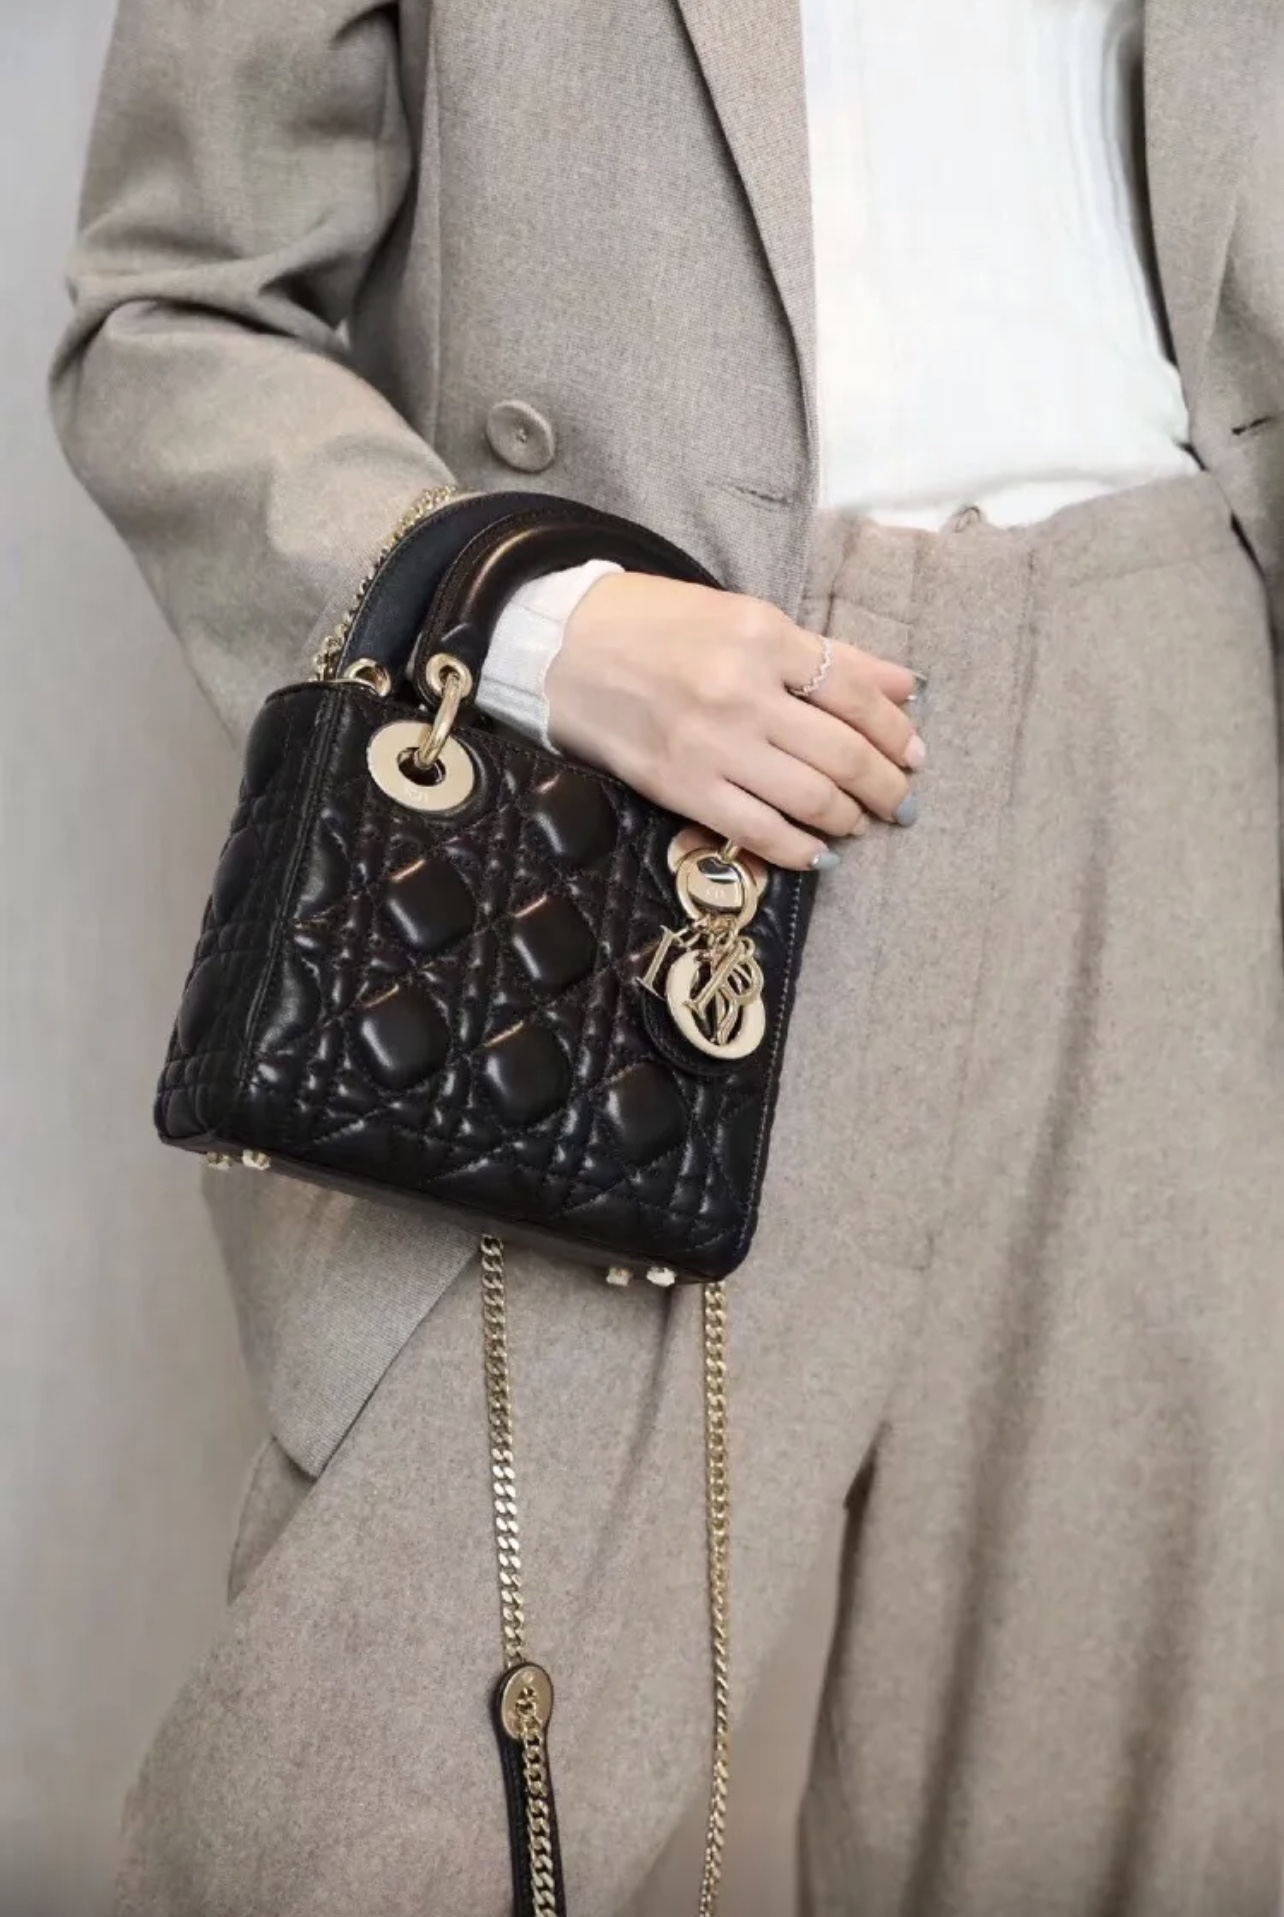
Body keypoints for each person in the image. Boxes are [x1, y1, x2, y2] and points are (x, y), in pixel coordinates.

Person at [51, 1, 1284, 1912]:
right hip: (635, 779)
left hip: (1177, 743)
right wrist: (528, 618)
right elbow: (171, 304)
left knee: (1121, 1831)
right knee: (373, 1828)